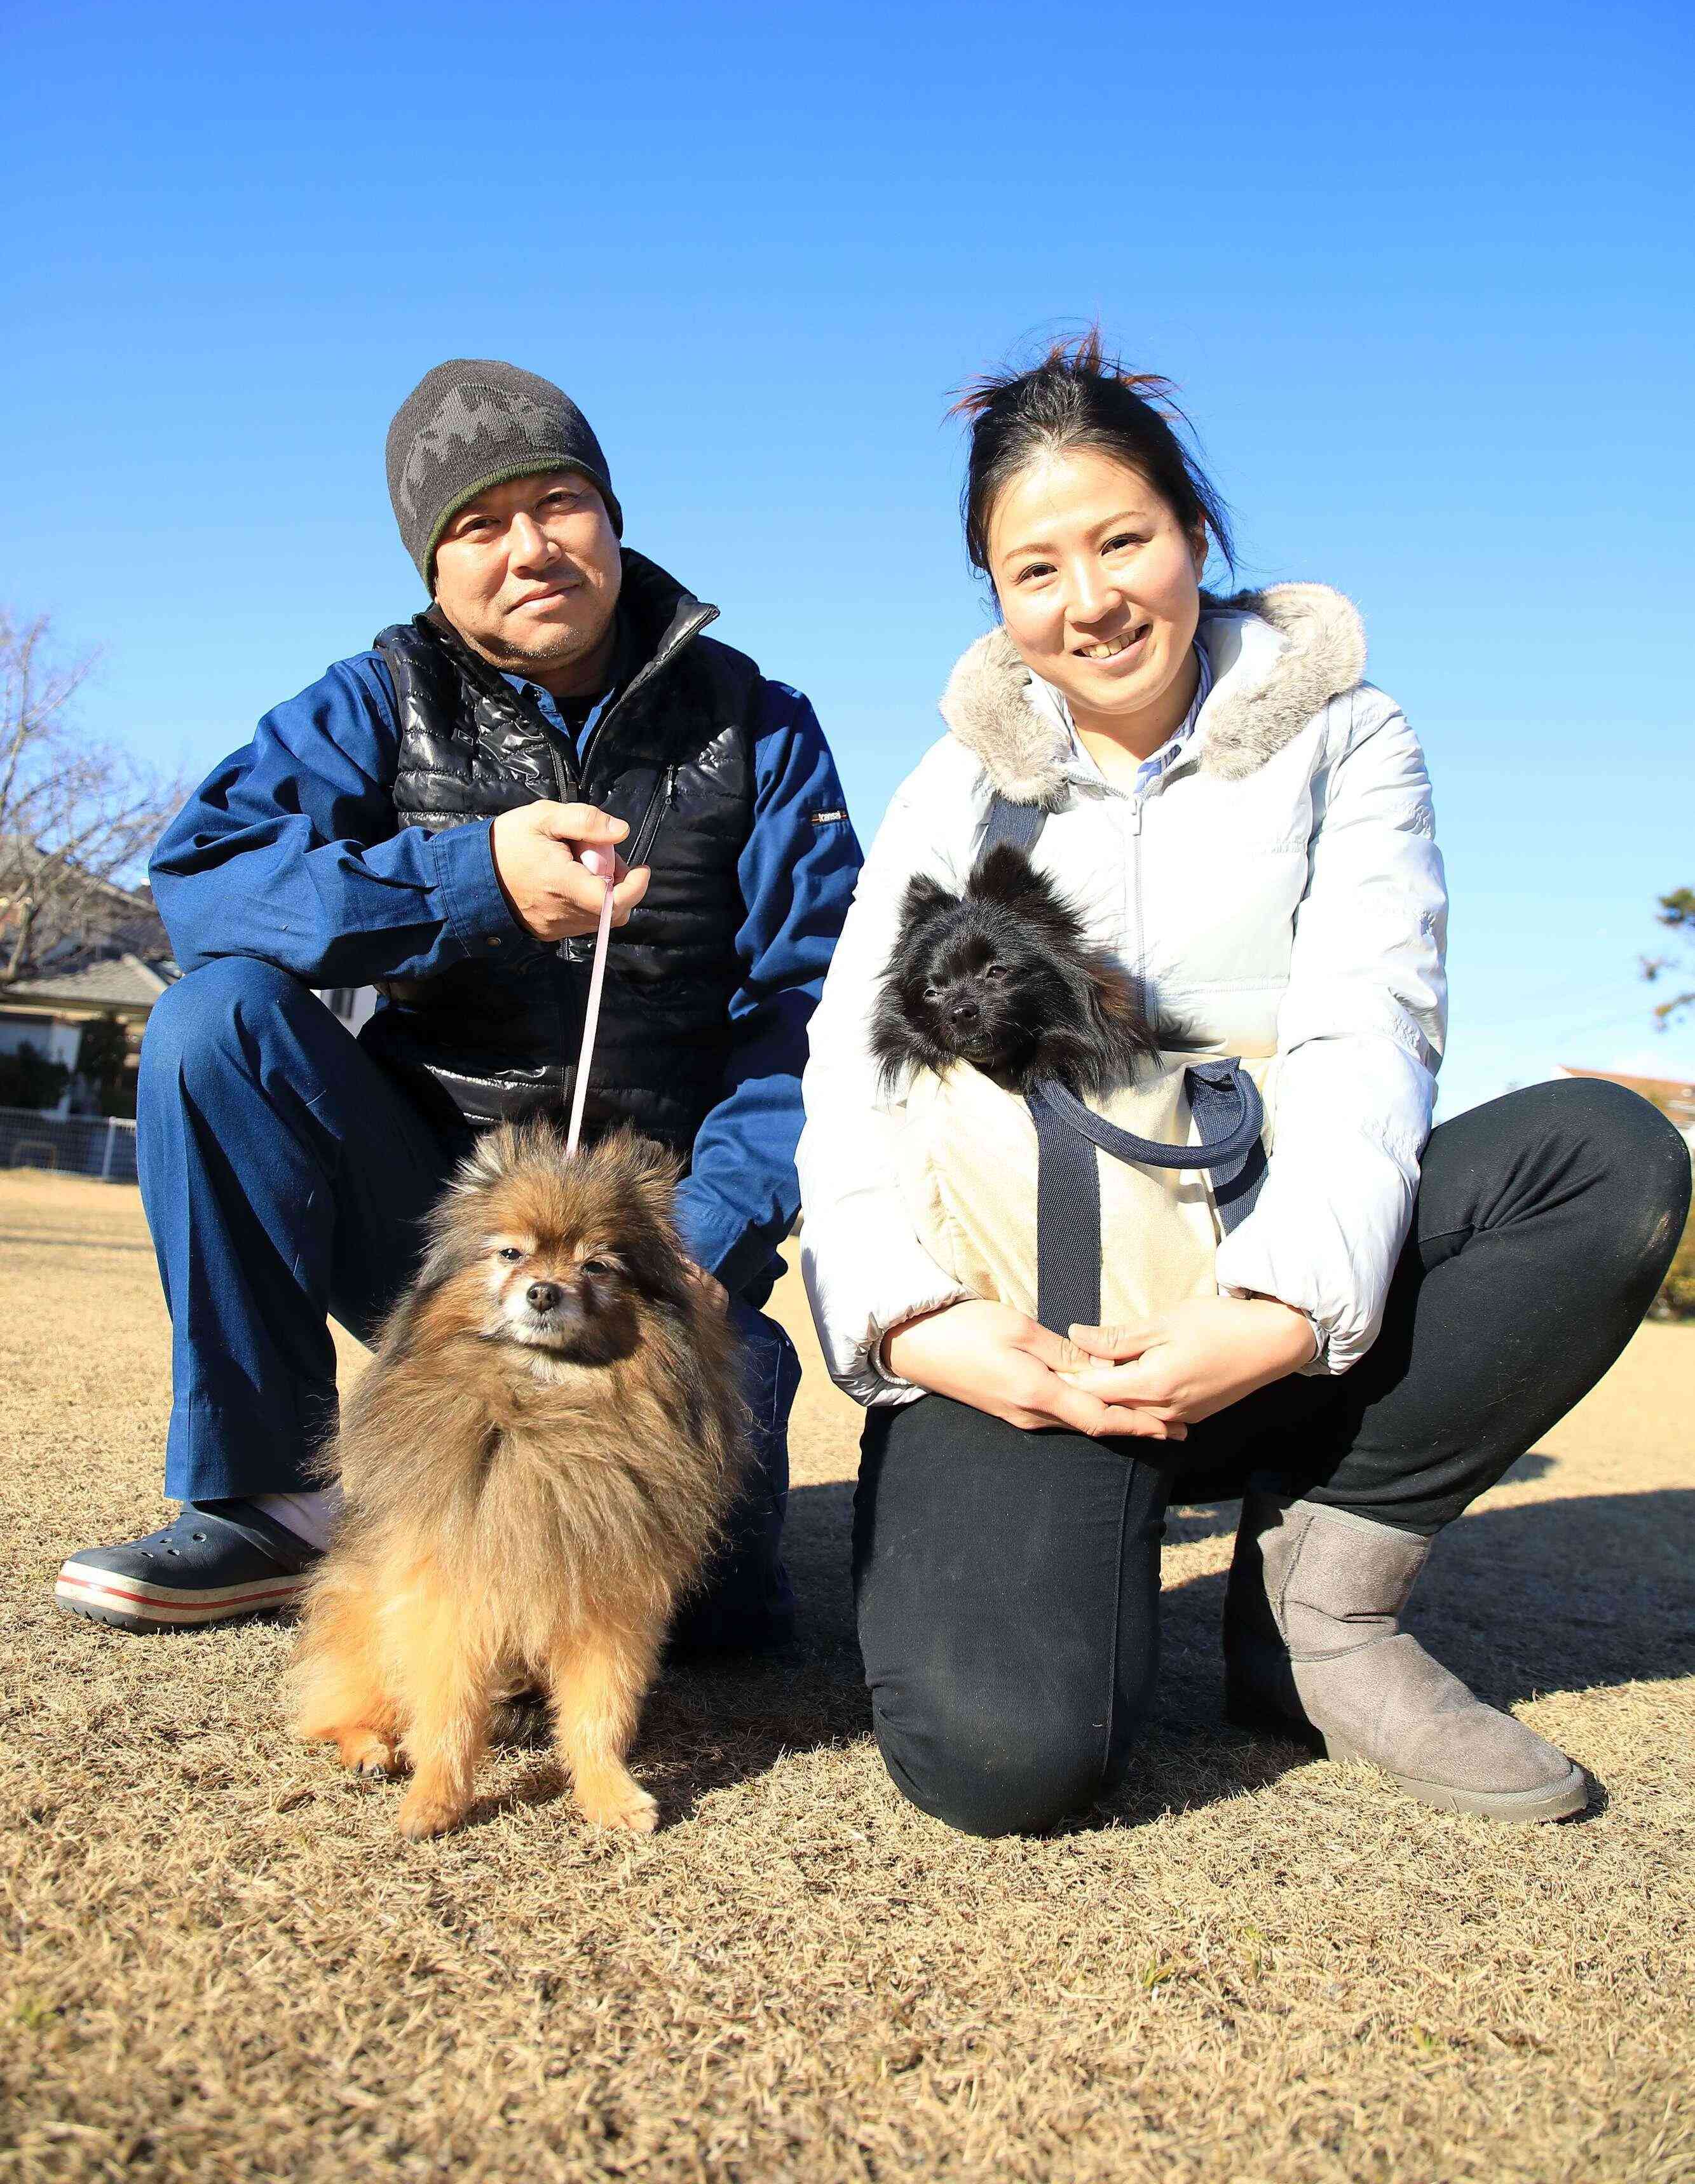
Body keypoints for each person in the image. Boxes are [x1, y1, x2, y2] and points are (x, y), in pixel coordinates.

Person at [798, 334, 1691, 1836]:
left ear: (1193, 536)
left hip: (1272, 1315)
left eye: (1120, 541)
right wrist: (920, 1321)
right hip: (1030, 1337)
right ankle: (1071, 1536)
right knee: (1009, 1757)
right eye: (1033, 569)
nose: (1087, 600)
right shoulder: (949, 790)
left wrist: (1273, 1309)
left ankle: (1317, 1608)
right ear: (997, 598)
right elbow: (847, 1071)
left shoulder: (1347, 733)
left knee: (1602, 1155)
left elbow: (1370, 1027)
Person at [57, 358, 861, 1650]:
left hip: (656, 1257)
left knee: (703, 1624)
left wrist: (706, 1233)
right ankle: (268, 1496)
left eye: (559, 502)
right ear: (431, 568)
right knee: (215, 1023)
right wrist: (471, 875)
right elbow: (204, 882)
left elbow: (817, 1003)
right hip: (433, 1218)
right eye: (479, 525)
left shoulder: (759, 724)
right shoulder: (374, 700)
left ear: (612, 516)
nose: (529, 547)